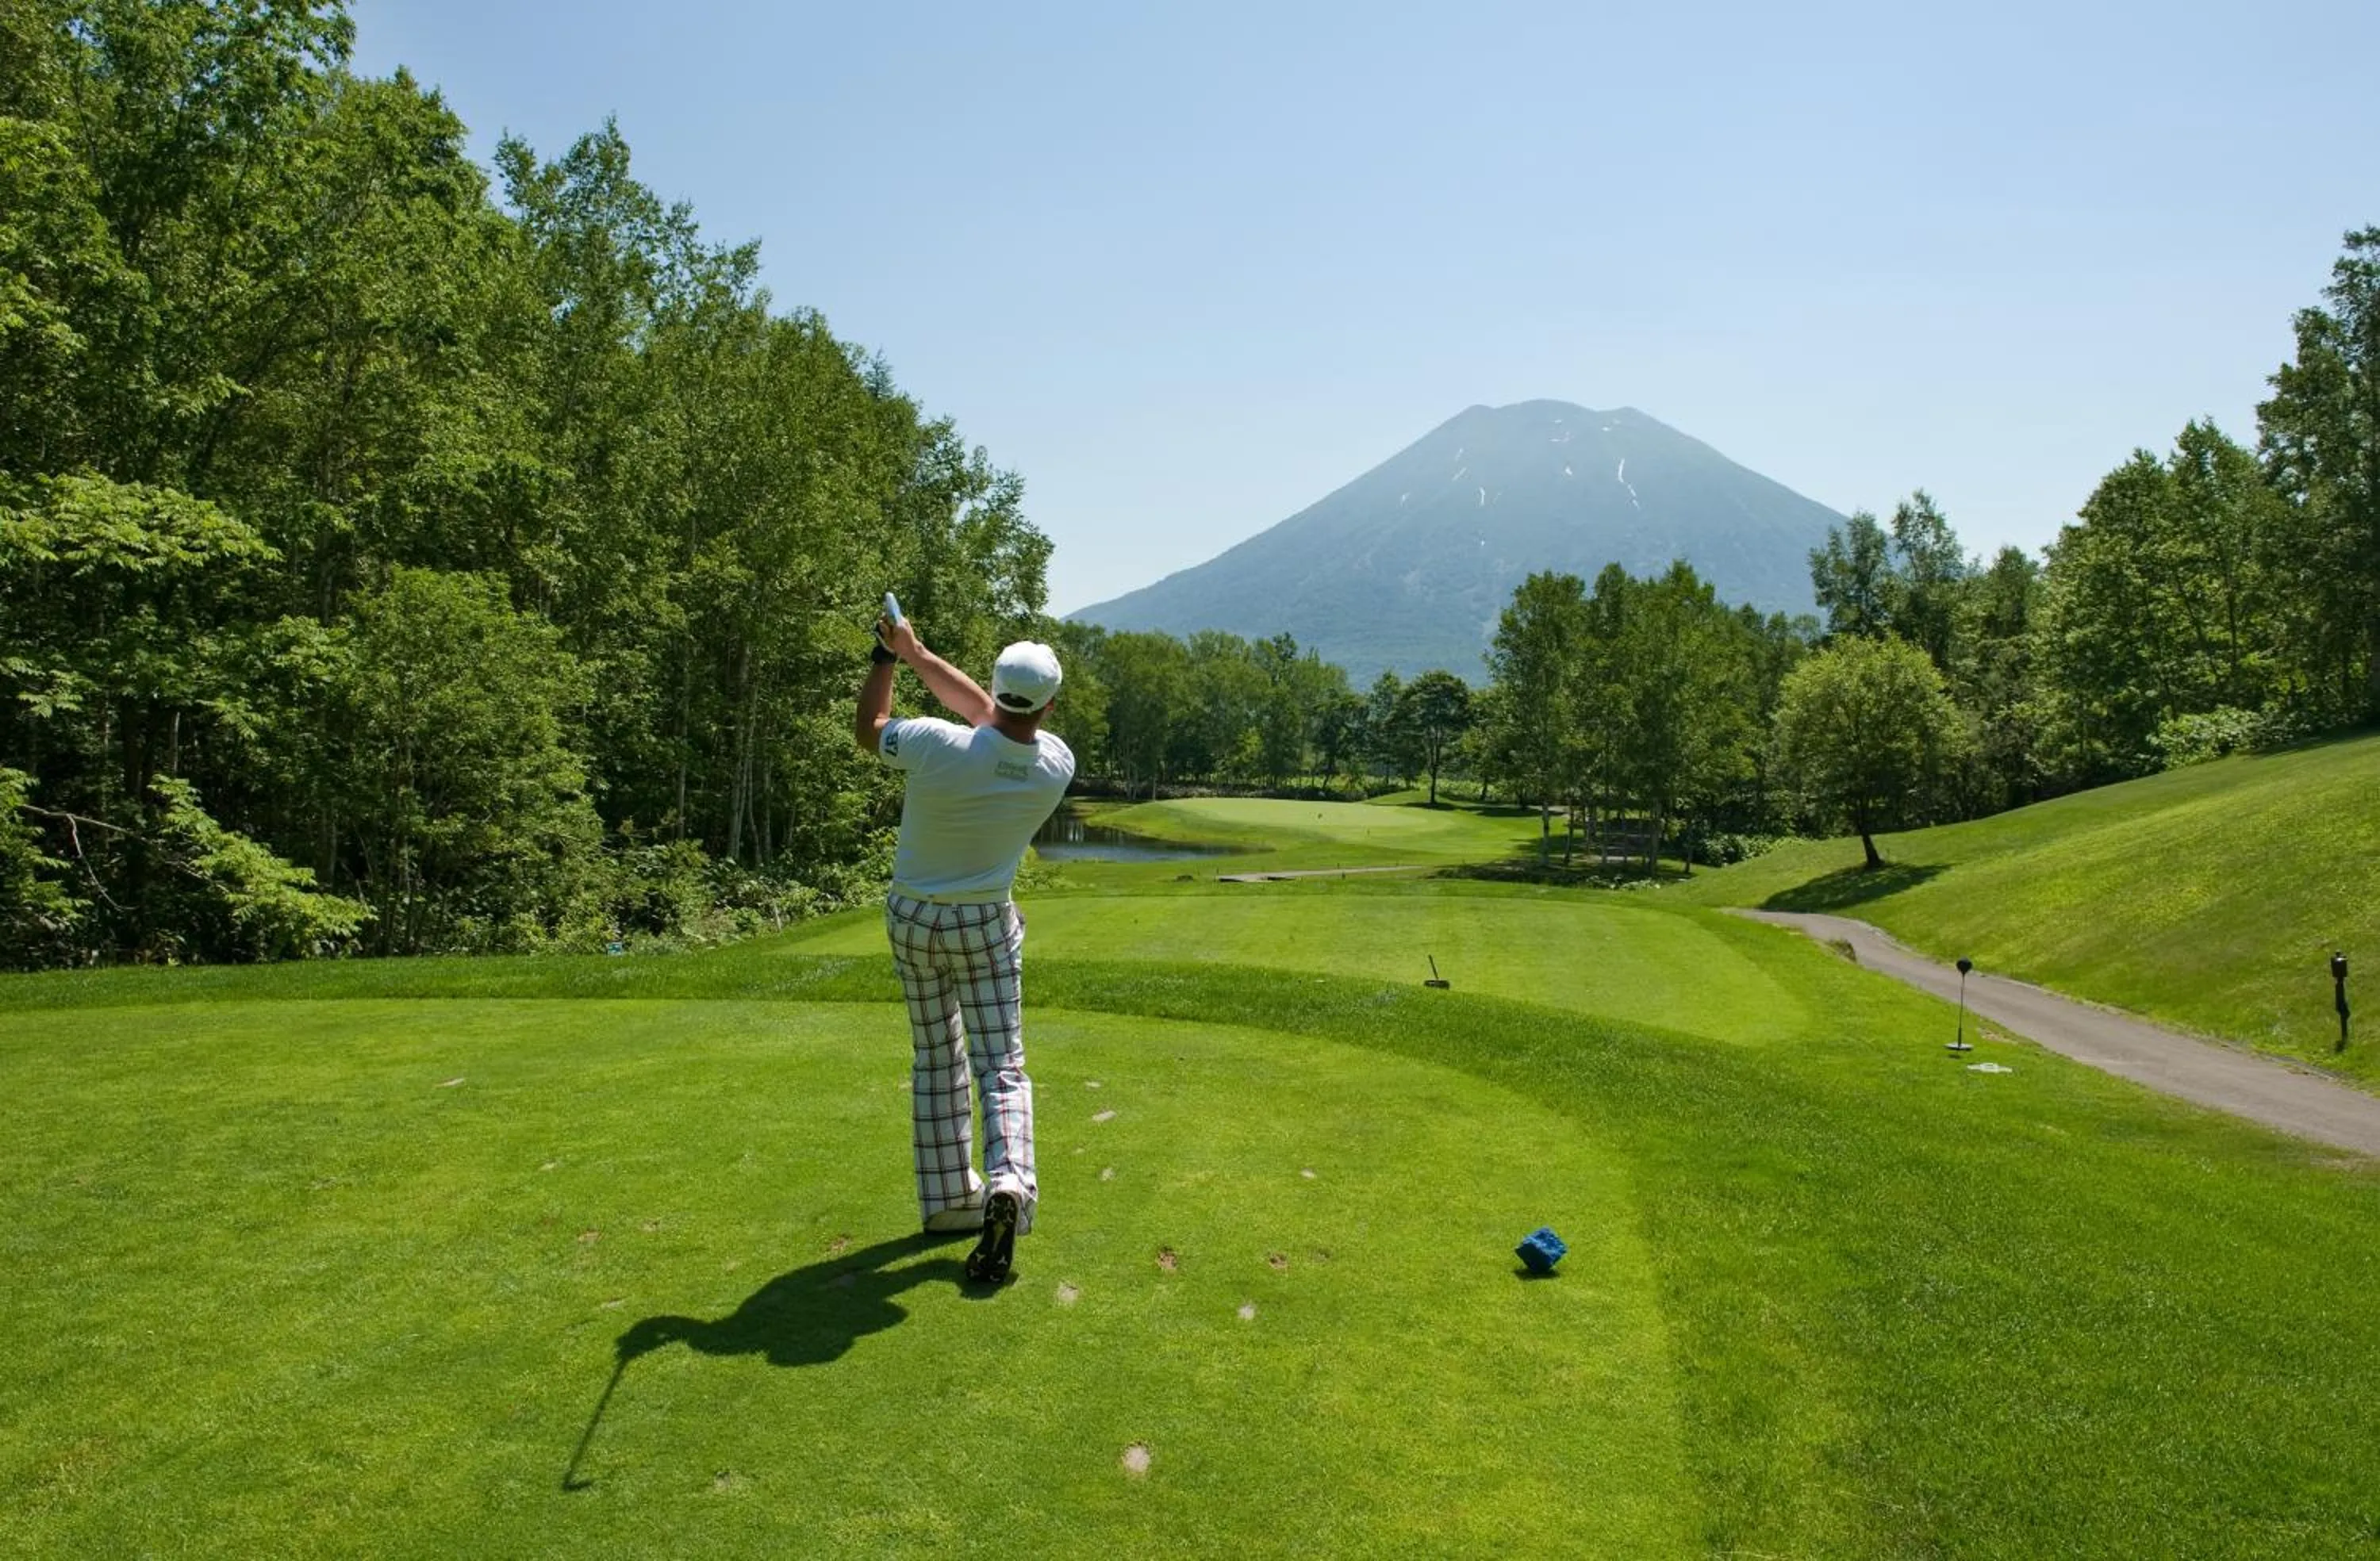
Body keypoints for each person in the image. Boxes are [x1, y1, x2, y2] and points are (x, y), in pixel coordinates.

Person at [855, 613, 1074, 1285]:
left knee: (936, 1057)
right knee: (1001, 1064)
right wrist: (917, 650)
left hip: (914, 921)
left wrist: (887, 659)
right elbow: (992, 717)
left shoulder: (933, 744)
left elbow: (869, 730)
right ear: (1050, 705)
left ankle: (951, 1196)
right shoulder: (1055, 764)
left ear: (995, 687)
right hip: (985, 923)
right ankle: (1009, 1181)